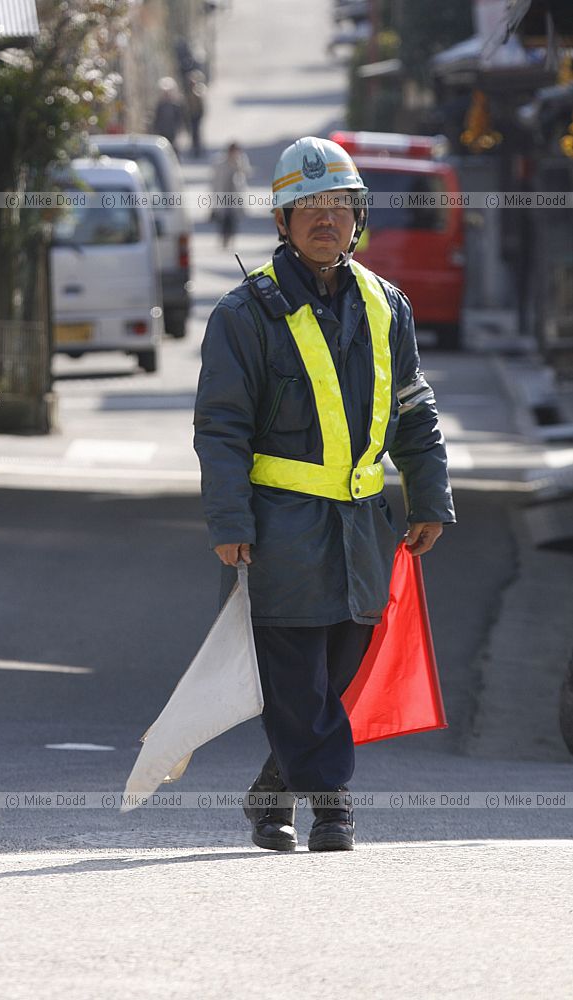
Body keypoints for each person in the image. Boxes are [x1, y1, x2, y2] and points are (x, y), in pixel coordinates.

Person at [193, 136, 455, 853]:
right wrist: (228, 518)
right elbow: (220, 428)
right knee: (295, 672)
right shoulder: (243, 315)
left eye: (338, 206)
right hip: (280, 528)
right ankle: (332, 803)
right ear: (279, 222)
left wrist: (429, 496)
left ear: (358, 217)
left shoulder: (384, 305)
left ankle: (271, 791)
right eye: (305, 206)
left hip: (362, 527)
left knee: (337, 673)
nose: (323, 219)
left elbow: (412, 406)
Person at [210, 142, 251, 248]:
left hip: (235, 197)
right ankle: (224, 239)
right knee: (223, 220)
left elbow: (246, 173)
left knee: (233, 220)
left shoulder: (241, 162)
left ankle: (231, 239)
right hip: (223, 196)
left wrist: (238, 165)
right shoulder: (220, 163)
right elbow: (216, 181)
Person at [151, 77, 186, 156]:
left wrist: (179, 128)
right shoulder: (160, 105)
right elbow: (157, 118)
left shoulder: (175, 105)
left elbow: (179, 118)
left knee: (172, 147)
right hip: (162, 130)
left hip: (172, 130)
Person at [185, 70, 207, 158]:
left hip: (196, 116)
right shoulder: (188, 93)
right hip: (191, 117)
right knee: (192, 134)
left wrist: (200, 115)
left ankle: (198, 150)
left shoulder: (197, 92)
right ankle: (194, 149)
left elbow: (200, 106)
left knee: (197, 134)